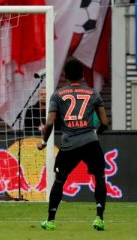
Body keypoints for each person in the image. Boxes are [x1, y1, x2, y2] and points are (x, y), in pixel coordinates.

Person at [37, 59, 109, 231]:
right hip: (90, 142)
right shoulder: (93, 93)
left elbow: (49, 123)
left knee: (60, 180)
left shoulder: (57, 95)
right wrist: (94, 135)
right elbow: (105, 122)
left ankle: (51, 221)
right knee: (99, 177)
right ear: (83, 75)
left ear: (65, 76)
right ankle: (99, 218)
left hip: (69, 144)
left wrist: (44, 141)